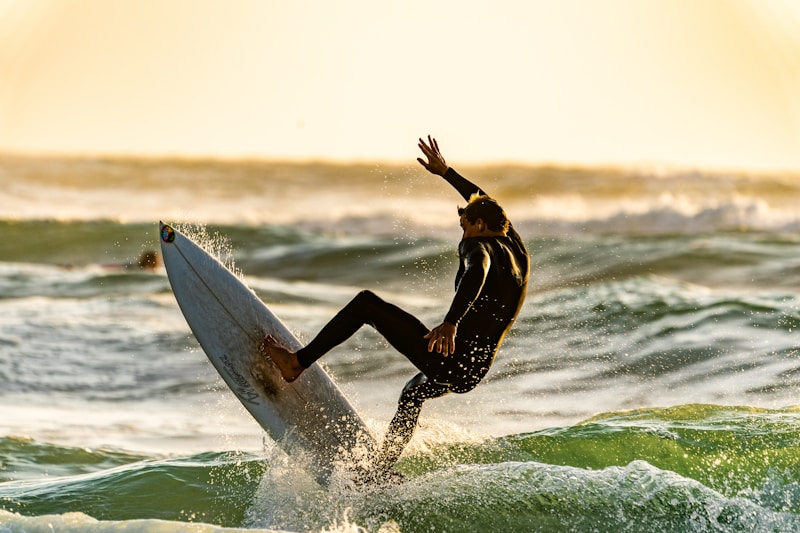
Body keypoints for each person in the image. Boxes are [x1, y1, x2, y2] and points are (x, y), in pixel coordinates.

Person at [261, 136, 530, 479]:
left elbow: (477, 272)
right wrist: (446, 172)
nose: (462, 235)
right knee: (412, 394)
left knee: (366, 304)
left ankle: (296, 363)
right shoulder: (516, 249)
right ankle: (380, 471)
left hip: (452, 358)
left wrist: (451, 322)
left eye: (464, 227)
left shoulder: (477, 247)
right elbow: (486, 201)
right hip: (474, 370)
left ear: (479, 226)